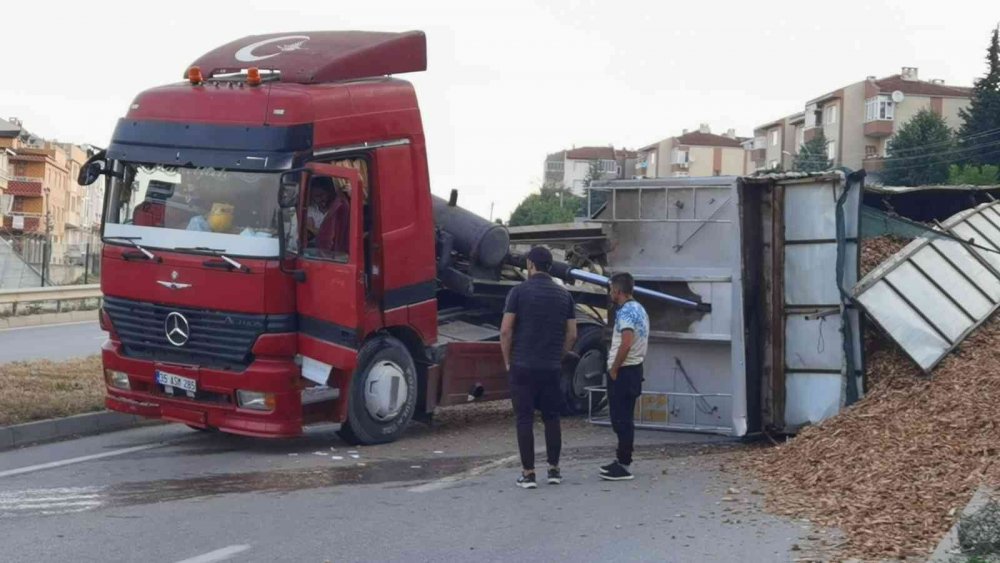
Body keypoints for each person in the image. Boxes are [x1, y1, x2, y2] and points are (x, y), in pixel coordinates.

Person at [500, 246, 577, 489]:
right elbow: (573, 333)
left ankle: (529, 473)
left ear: (531, 265)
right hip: (551, 366)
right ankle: (554, 470)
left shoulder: (518, 292)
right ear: (550, 267)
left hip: (523, 364)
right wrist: (560, 354)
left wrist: (507, 361)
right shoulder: (565, 295)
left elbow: (505, 330)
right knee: (552, 418)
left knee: (524, 419)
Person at [599, 272, 649, 481]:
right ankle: (621, 459)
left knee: (621, 420)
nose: (610, 293)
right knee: (624, 418)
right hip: (635, 369)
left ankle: (624, 465)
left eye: (611, 289)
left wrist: (614, 369)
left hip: (624, 370)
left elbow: (626, 342)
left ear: (618, 291)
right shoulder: (640, 309)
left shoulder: (626, 312)